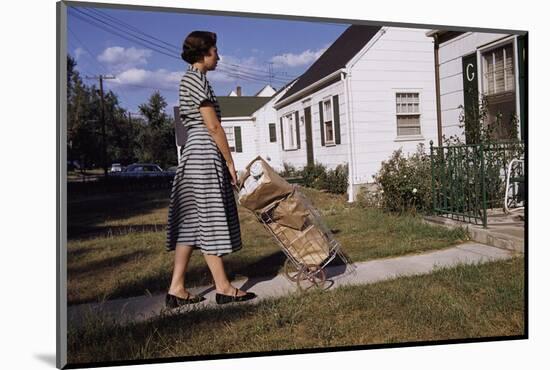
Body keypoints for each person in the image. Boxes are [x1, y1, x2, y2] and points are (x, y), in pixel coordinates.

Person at [165, 31, 256, 307]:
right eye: (215, 51)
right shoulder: (195, 80)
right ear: (204, 53)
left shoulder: (192, 79)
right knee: (210, 218)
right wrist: (230, 162)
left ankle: (176, 289)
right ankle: (224, 288)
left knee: (191, 223)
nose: (218, 56)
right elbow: (213, 126)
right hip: (204, 152)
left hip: (193, 153)